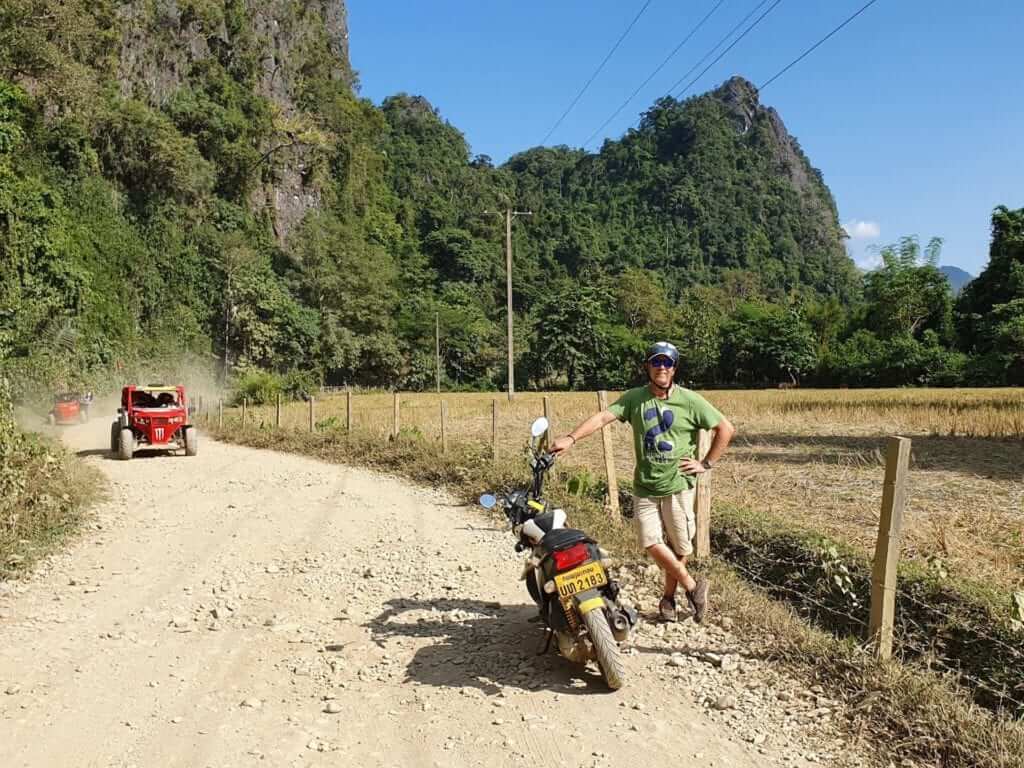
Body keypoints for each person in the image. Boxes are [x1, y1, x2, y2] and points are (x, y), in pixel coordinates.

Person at [550, 341, 735, 623]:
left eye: (668, 363)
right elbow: (603, 417)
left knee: (680, 548)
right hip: (645, 487)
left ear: (674, 369)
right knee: (651, 542)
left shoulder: (690, 400)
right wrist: (571, 438)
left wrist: (705, 463)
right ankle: (694, 587)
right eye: (656, 362)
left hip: (678, 486)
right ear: (647, 366)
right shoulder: (634, 398)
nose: (662, 367)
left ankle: (668, 600)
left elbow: (725, 428)